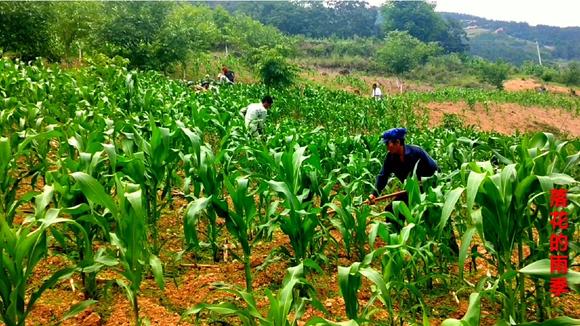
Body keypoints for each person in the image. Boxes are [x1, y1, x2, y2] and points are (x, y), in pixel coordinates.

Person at [369, 128, 459, 253]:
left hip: (429, 190)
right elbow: (383, 176)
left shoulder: (417, 152)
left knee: (441, 216)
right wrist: (374, 194)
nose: (386, 147)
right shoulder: (390, 158)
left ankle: (453, 251)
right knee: (392, 209)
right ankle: (396, 244)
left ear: (397, 142)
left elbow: (436, 171)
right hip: (410, 192)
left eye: (387, 143)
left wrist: (424, 182)